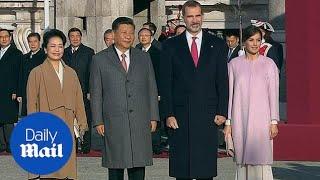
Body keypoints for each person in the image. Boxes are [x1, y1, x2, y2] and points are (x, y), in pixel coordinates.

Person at [159, 1, 229, 179]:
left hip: (208, 115)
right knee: (183, 169)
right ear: (184, 18)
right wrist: (169, 113)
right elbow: (165, 83)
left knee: (205, 169)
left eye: (198, 15)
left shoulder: (218, 44)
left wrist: (222, 111)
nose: (194, 20)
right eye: (190, 16)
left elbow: (222, 81)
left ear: (202, 17)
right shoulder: (170, 46)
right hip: (180, 116)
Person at [90, 17, 159, 180]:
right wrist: (98, 120)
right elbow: (96, 93)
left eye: (131, 33)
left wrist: (154, 116)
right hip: (113, 121)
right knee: (116, 165)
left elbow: (151, 88)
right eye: (124, 33)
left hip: (140, 120)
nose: (128, 36)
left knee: (138, 165)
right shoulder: (99, 59)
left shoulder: (143, 58)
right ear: (114, 34)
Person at [27, 29, 88, 179]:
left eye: (60, 46)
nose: (57, 50)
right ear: (45, 49)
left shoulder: (71, 73)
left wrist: (82, 121)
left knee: (66, 169)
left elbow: (78, 99)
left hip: (67, 124)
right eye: (53, 46)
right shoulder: (37, 72)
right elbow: (31, 103)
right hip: (45, 127)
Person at [224, 25, 279, 179]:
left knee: (261, 157)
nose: (255, 43)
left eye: (258, 40)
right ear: (244, 42)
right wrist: (228, 122)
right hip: (240, 117)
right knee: (243, 158)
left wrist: (273, 121)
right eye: (251, 40)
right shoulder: (234, 64)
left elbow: (273, 94)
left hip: (263, 119)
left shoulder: (269, 64)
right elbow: (230, 95)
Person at [63, 27, 95, 154]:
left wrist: (90, 91)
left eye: (77, 36)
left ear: (81, 37)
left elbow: (91, 73)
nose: (75, 38)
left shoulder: (88, 52)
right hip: (67, 91)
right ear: (69, 38)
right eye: (72, 36)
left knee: (85, 118)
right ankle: (72, 146)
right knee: (69, 119)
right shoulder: (63, 52)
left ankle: (86, 146)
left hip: (83, 90)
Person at [137, 27, 162, 154]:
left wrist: (159, 92)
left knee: (154, 117)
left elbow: (160, 74)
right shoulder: (135, 51)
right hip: (139, 91)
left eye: (146, 35)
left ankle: (155, 146)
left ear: (151, 37)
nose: (143, 38)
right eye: (141, 35)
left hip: (154, 90)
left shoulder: (158, 52)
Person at [0, 28, 23, 153]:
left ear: (10, 38)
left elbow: (20, 74)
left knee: (8, 120)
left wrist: (17, 91)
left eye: (6, 36)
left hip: (10, 92)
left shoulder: (16, 53)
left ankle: (10, 145)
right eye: (1, 37)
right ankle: (1, 145)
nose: (3, 39)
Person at [18, 32, 46, 116]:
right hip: (27, 92)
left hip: (40, 93)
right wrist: (20, 93)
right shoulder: (24, 57)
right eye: (30, 42)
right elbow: (21, 75)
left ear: (39, 42)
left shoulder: (45, 57)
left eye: (35, 41)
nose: (33, 44)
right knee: (28, 118)